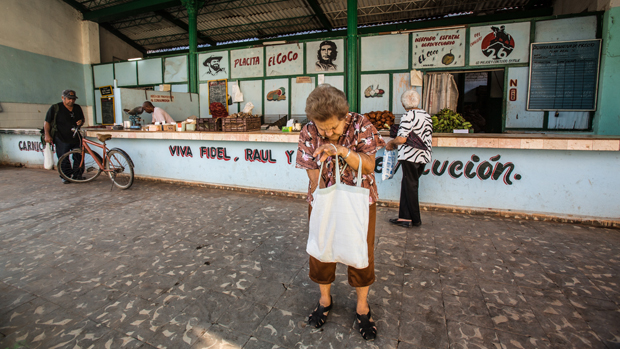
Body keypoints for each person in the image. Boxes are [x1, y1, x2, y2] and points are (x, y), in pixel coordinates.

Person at [296, 84, 385, 340]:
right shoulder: (309, 131)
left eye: (332, 128)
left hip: (360, 201)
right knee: (321, 249)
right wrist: (323, 196)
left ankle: (362, 306)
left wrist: (342, 151)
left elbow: (368, 166)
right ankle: (325, 300)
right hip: (323, 200)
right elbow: (311, 170)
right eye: (321, 128)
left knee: (360, 250)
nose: (326, 133)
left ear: (345, 117)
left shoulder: (362, 125)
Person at [385, 90, 433, 227]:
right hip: (424, 156)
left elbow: (401, 139)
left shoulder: (408, 116)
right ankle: (404, 217)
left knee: (410, 185)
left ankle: (415, 219)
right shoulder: (426, 115)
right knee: (408, 184)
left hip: (411, 156)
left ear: (403, 103)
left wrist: (391, 143)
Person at [44, 89, 85, 184]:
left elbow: (82, 119)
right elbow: (47, 122)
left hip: (75, 136)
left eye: (73, 99)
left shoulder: (77, 108)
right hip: (61, 137)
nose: (71, 101)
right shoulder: (55, 108)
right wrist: (47, 134)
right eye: (69, 99)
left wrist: (81, 122)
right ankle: (65, 176)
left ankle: (77, 175)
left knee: (79, 156)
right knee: (63, 158)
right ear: (63, 98)